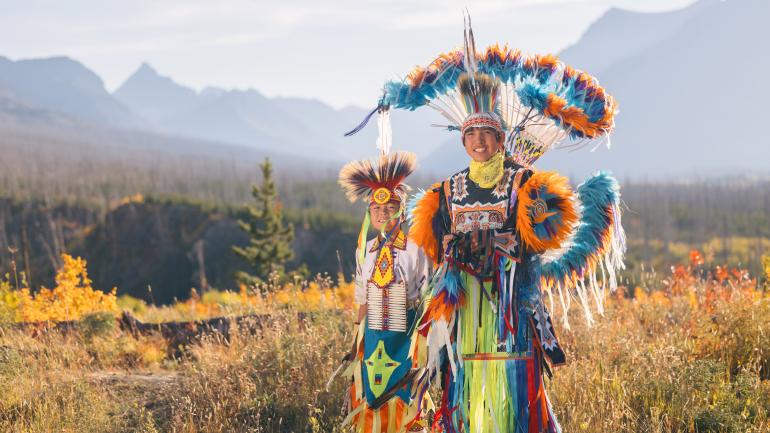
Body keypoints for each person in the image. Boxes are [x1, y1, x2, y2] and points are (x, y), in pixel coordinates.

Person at [346, 19, 626, 433]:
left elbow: (545, 238)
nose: (479, 140)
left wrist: (507, 243)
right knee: (463, 393)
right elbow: (430, 253)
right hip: (463, 313)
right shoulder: (446, 191)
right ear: (463, 141)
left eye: (487, 133)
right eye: (471, 133)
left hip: (510, 312)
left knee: (516, 398)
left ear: (499, 138)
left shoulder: (525, 183)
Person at [334, 151, 432, 433]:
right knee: (371, 399)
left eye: (389, 208)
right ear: (369, 214)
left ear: (400, 210)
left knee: (406, 396)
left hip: (406, 337)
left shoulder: (415, 247)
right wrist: (357, 346)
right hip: (373, 338)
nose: (382, 214)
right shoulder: (365, 251)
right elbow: (363, 302)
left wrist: (423, 343)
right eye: (376, 210)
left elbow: (427, 296)